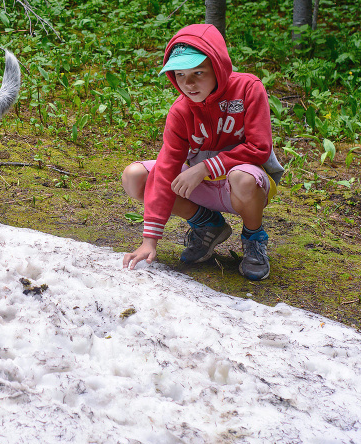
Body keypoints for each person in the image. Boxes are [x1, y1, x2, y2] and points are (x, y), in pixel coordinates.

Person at [121, 24, 284, 280]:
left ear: (218, 67)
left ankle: (254, 238)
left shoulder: (248, 89)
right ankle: (208, 225)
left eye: (198, 72)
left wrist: (205, 167)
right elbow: (165, 170)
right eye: (180, 74)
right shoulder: (181, 111)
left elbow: (259, 147)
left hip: (245, 185)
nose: (189, 84)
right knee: (135, 176)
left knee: (243, 179)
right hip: (205, 187)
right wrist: (149, 240)